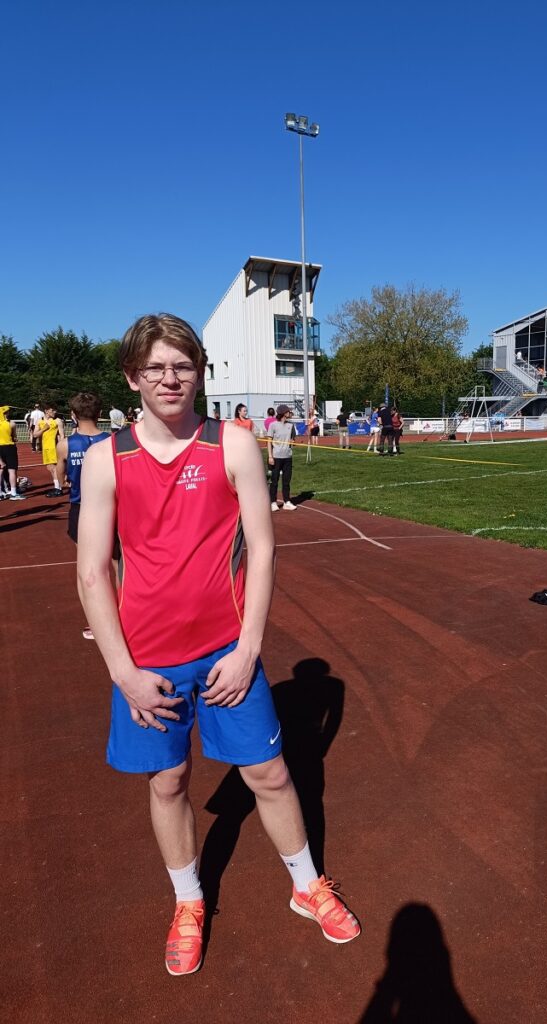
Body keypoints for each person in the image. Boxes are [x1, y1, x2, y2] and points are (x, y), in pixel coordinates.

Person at [76, 314, 359, 978]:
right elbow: (92, 572)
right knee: (169, 781)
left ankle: (306, 885)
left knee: (271, 774)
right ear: (132, 377)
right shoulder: (105, 459)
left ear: (199, 372)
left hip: (227, 652)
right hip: (148, 661)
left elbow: (262, 548)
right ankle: (189, 900)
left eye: (182, 365)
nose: (169, 378)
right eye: (155, 368)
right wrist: (123, 673)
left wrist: (248, 648)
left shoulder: (232, 443)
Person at [56, 392, 111, 638]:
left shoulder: (65, 445)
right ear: (100, 414)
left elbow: (60, 476)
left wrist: (67, 480)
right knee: (119, 564)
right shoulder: (112, 440)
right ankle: (124, 615)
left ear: (72, 415)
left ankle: (95, 622)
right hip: (112, 506)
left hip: (81, 507)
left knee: (88, 568)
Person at [267, 404, 297, 511]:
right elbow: (269, 442)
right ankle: (273, 502)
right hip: (276, 457)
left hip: (287, 456)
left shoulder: (291, 426)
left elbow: (293, 440)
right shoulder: (273, 425)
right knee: (274, 481)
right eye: (288, 411)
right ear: (283, 413)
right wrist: (270, 456)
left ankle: (287, 502)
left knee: (286, 481)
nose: (290, 413)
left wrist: (293, 442)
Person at [34, 404, 65, 496]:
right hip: (45, 447)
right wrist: (43, 429)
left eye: (55, 410)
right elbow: (35, 435)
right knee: (50, 468)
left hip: (54, 447)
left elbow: (62, 435)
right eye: (53, 410)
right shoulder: (40, 421)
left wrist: (61, 447)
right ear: (46, 411)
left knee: (54, 467)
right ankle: (58, 486)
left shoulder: (58, 421)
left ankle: (58, 488)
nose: (55, 412)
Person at [0, 407, 25, 500]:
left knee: (0, 470)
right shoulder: (12, 423)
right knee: (12, 470)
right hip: (9, 447)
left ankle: (0, 492)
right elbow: (15, 437)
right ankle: (13, 493)